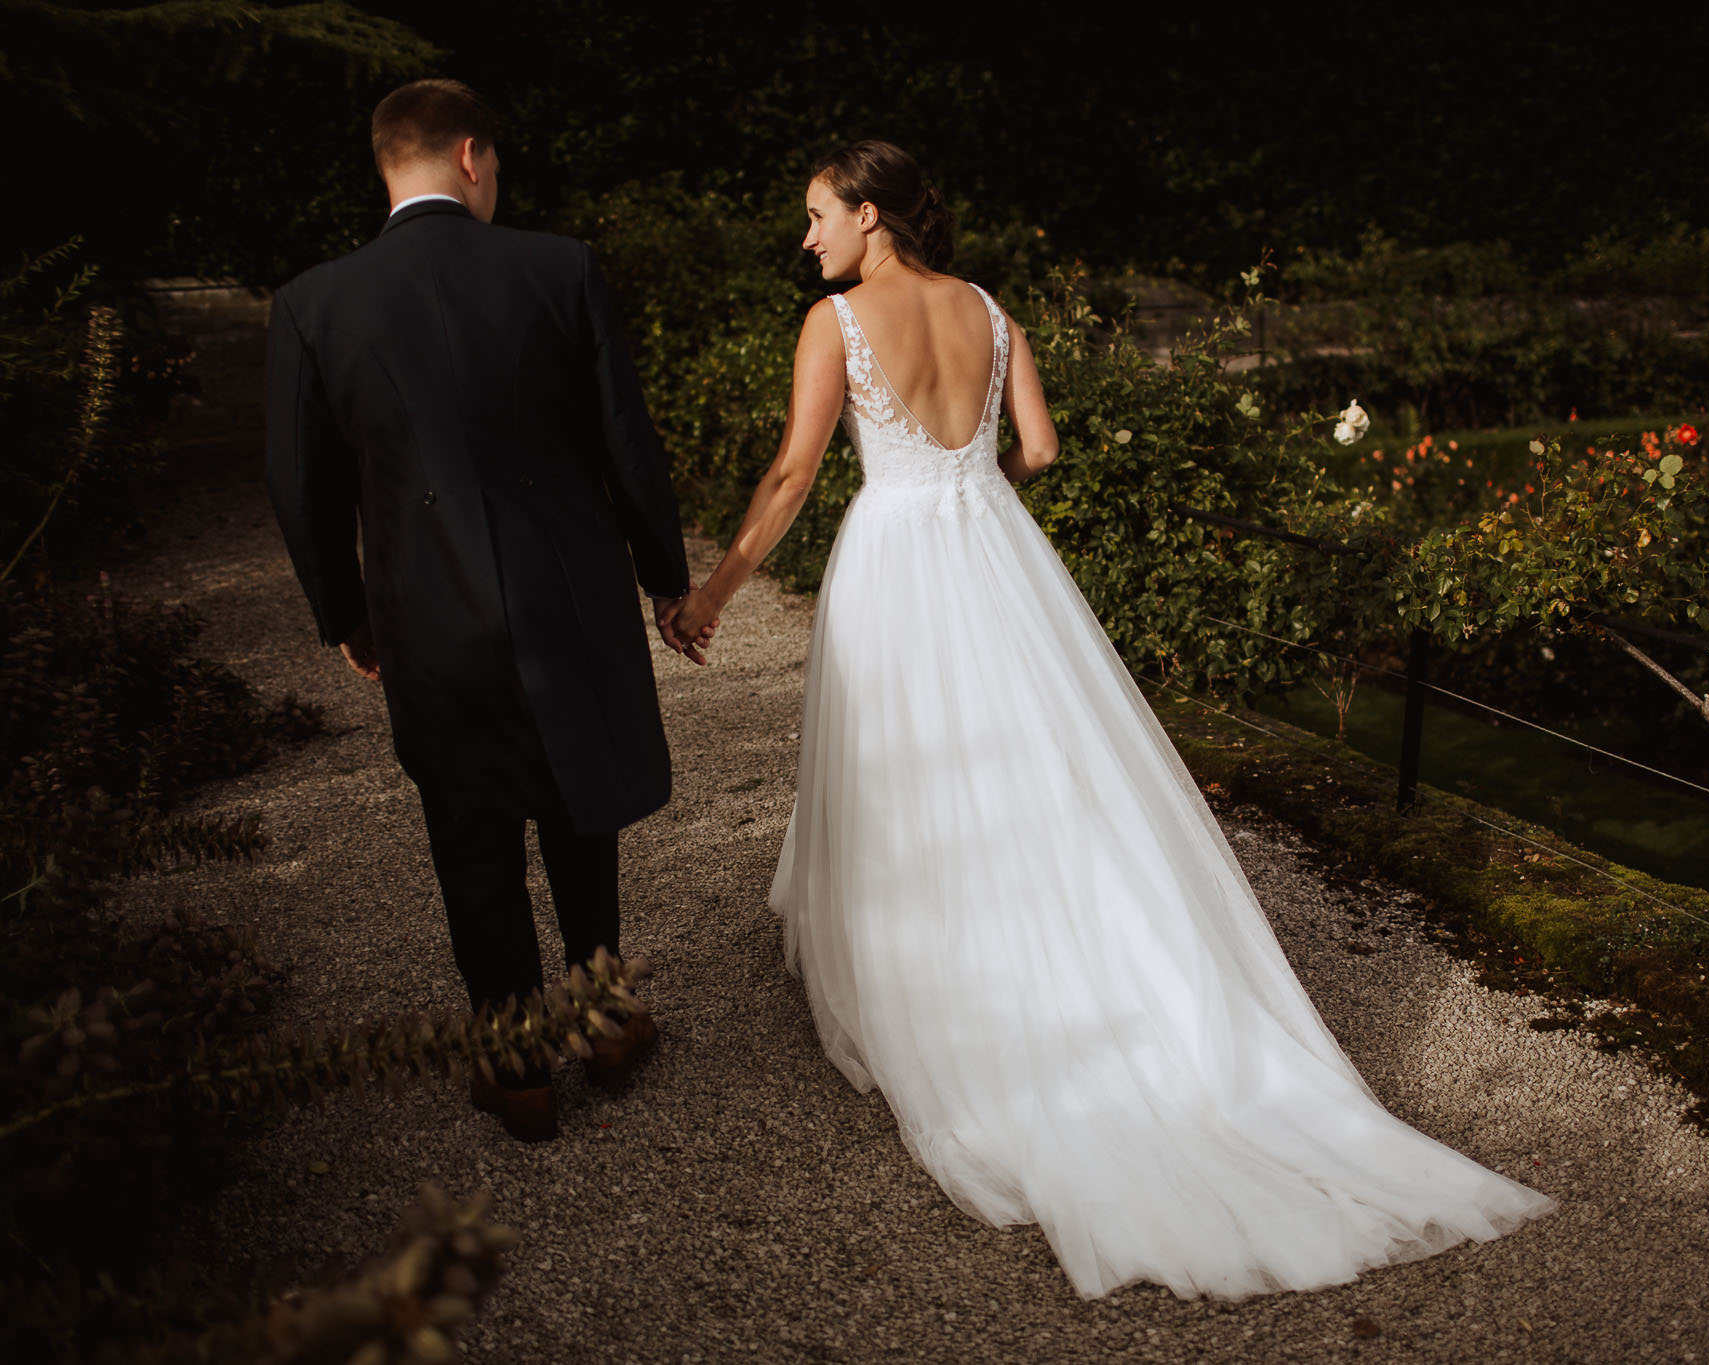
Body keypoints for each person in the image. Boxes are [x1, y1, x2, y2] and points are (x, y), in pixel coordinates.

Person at [672, 140, 1554, 1299]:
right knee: (1050, 777)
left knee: (914, 777)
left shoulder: (834, 323)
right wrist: (969, 495)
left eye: (816, 216)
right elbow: (1036, 449)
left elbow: (792, 475)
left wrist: (715, 592)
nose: (807, 238)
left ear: (870, 218)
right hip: (994, 550)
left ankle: (946, 983)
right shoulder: (990, 311)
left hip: (894, 560)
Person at [265, 80, 708, 1142]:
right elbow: (623, 440)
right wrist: (663, 573)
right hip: (566, 595)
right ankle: (600, 1019)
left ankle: (515, 1070)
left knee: (468, 829)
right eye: (495, 167)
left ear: (389, 165)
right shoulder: (559, 267)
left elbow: (299, 483)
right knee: (577, 800)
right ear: (472, 155)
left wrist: (345, 613)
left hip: (427, 609)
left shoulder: (314, 303)